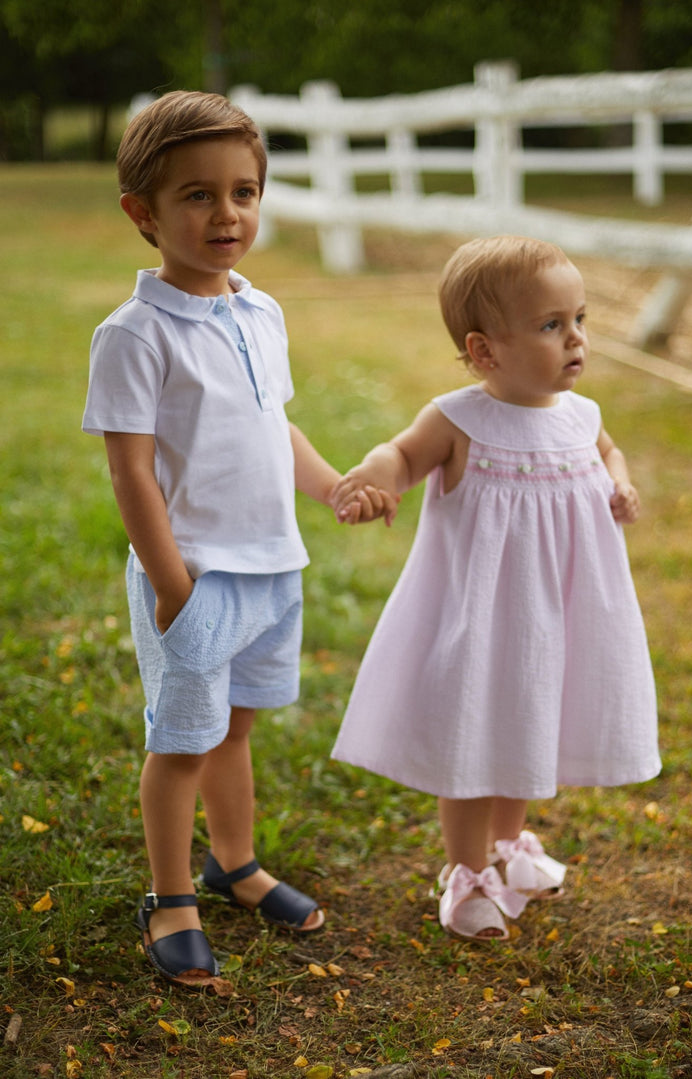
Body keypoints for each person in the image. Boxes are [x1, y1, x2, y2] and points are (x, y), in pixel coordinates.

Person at [82, 90, 392, 989]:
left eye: (245, 192)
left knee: (235, 729)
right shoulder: (133, 334)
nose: (228, 215)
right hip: (198, 576)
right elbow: (131, 472)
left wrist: (332, 483)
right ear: (143, 211)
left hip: (271, 565)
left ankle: (235, 860)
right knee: (181, 740)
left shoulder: (262, 312)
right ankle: (172, 894)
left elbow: (273, 424)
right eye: (198, 196)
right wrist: (172, 582)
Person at [330, 235, 660, 941]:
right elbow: (402, 454)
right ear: (484, 351)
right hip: (482, 618)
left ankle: (511, 845)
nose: (576, 339)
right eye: (551, 325)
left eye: (580, 319)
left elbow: (609, 452)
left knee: (529, 722)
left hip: (557, 616)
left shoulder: (582, 415)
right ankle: (466, 869)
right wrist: (376, 477)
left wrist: (622, 483)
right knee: (473, 733)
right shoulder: (457, 420)